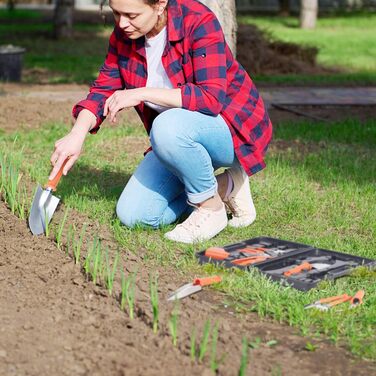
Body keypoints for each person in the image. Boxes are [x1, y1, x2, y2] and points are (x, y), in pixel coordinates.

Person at [49, 0, 272, 244]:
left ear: (160, 4)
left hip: (233, 130)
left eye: (131, 15)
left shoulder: (198, 21)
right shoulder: (125, 35)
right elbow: (102, 90)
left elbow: (210, 98)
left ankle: (210, 209)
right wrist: (77, 133)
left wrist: (141, 92)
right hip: (176, 135)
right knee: (134, 215)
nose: (122, 23)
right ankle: (227, 186)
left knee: (165, 125)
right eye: (116, 13)